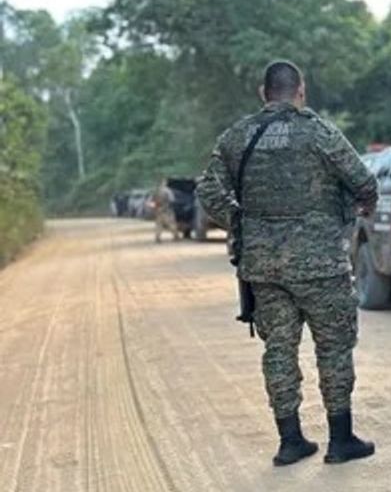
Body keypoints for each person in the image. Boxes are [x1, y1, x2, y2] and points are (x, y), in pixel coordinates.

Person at [197, 60, 379, 467]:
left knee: (279, 350)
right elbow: (364, 181)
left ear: (264, 93)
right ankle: (341, 439)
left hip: (263, 267)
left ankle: (290, 441)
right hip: (321, 267)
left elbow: (207, 188)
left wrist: (241, 222)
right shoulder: (319, 132)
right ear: (301, 92)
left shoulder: (238, 136)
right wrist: (353, 209)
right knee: (333, 349)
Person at [152, 179, 179, 243]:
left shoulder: (156, 191)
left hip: (158, 210)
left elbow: (153, 201)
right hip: (167, 210)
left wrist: (155, 208)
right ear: (164, 183)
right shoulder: (168, 191)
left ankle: (157, 237)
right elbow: (172, 200)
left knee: (159, 225)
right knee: (171, 223)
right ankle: (176, 236)